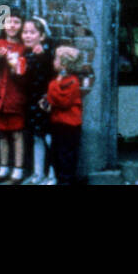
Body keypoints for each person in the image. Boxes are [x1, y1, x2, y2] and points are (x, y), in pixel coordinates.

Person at [0, 9, 28, 184]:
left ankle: (18, 170)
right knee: (2, 133)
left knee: (17, 133)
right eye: (9, 21)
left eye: (16, 22)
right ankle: (3, 167)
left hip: (15, 95)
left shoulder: (23, 47)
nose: (12, 25)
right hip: (0, 95)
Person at [20, 16, 56, 185]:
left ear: (41, 36)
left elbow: (52, 77)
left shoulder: (48, 54)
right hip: (32, 102)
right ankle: (38, 173)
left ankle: (53, 174)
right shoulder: (26, 54)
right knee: (37, 138)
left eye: (32, 32)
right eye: (25, 32)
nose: (27, 36)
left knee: (49, 138)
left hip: (45, 102)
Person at [47, 46, 89, 186]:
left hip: (69, 125)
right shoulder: (63, 81)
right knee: (57, 153)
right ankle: (62, 178)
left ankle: (66, 179)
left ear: (64, 64)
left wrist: (53, 86)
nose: (53, 62)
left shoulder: (72, 82)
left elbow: (62, 101)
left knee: (66, 155)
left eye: (56, 59)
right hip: (59, 123)